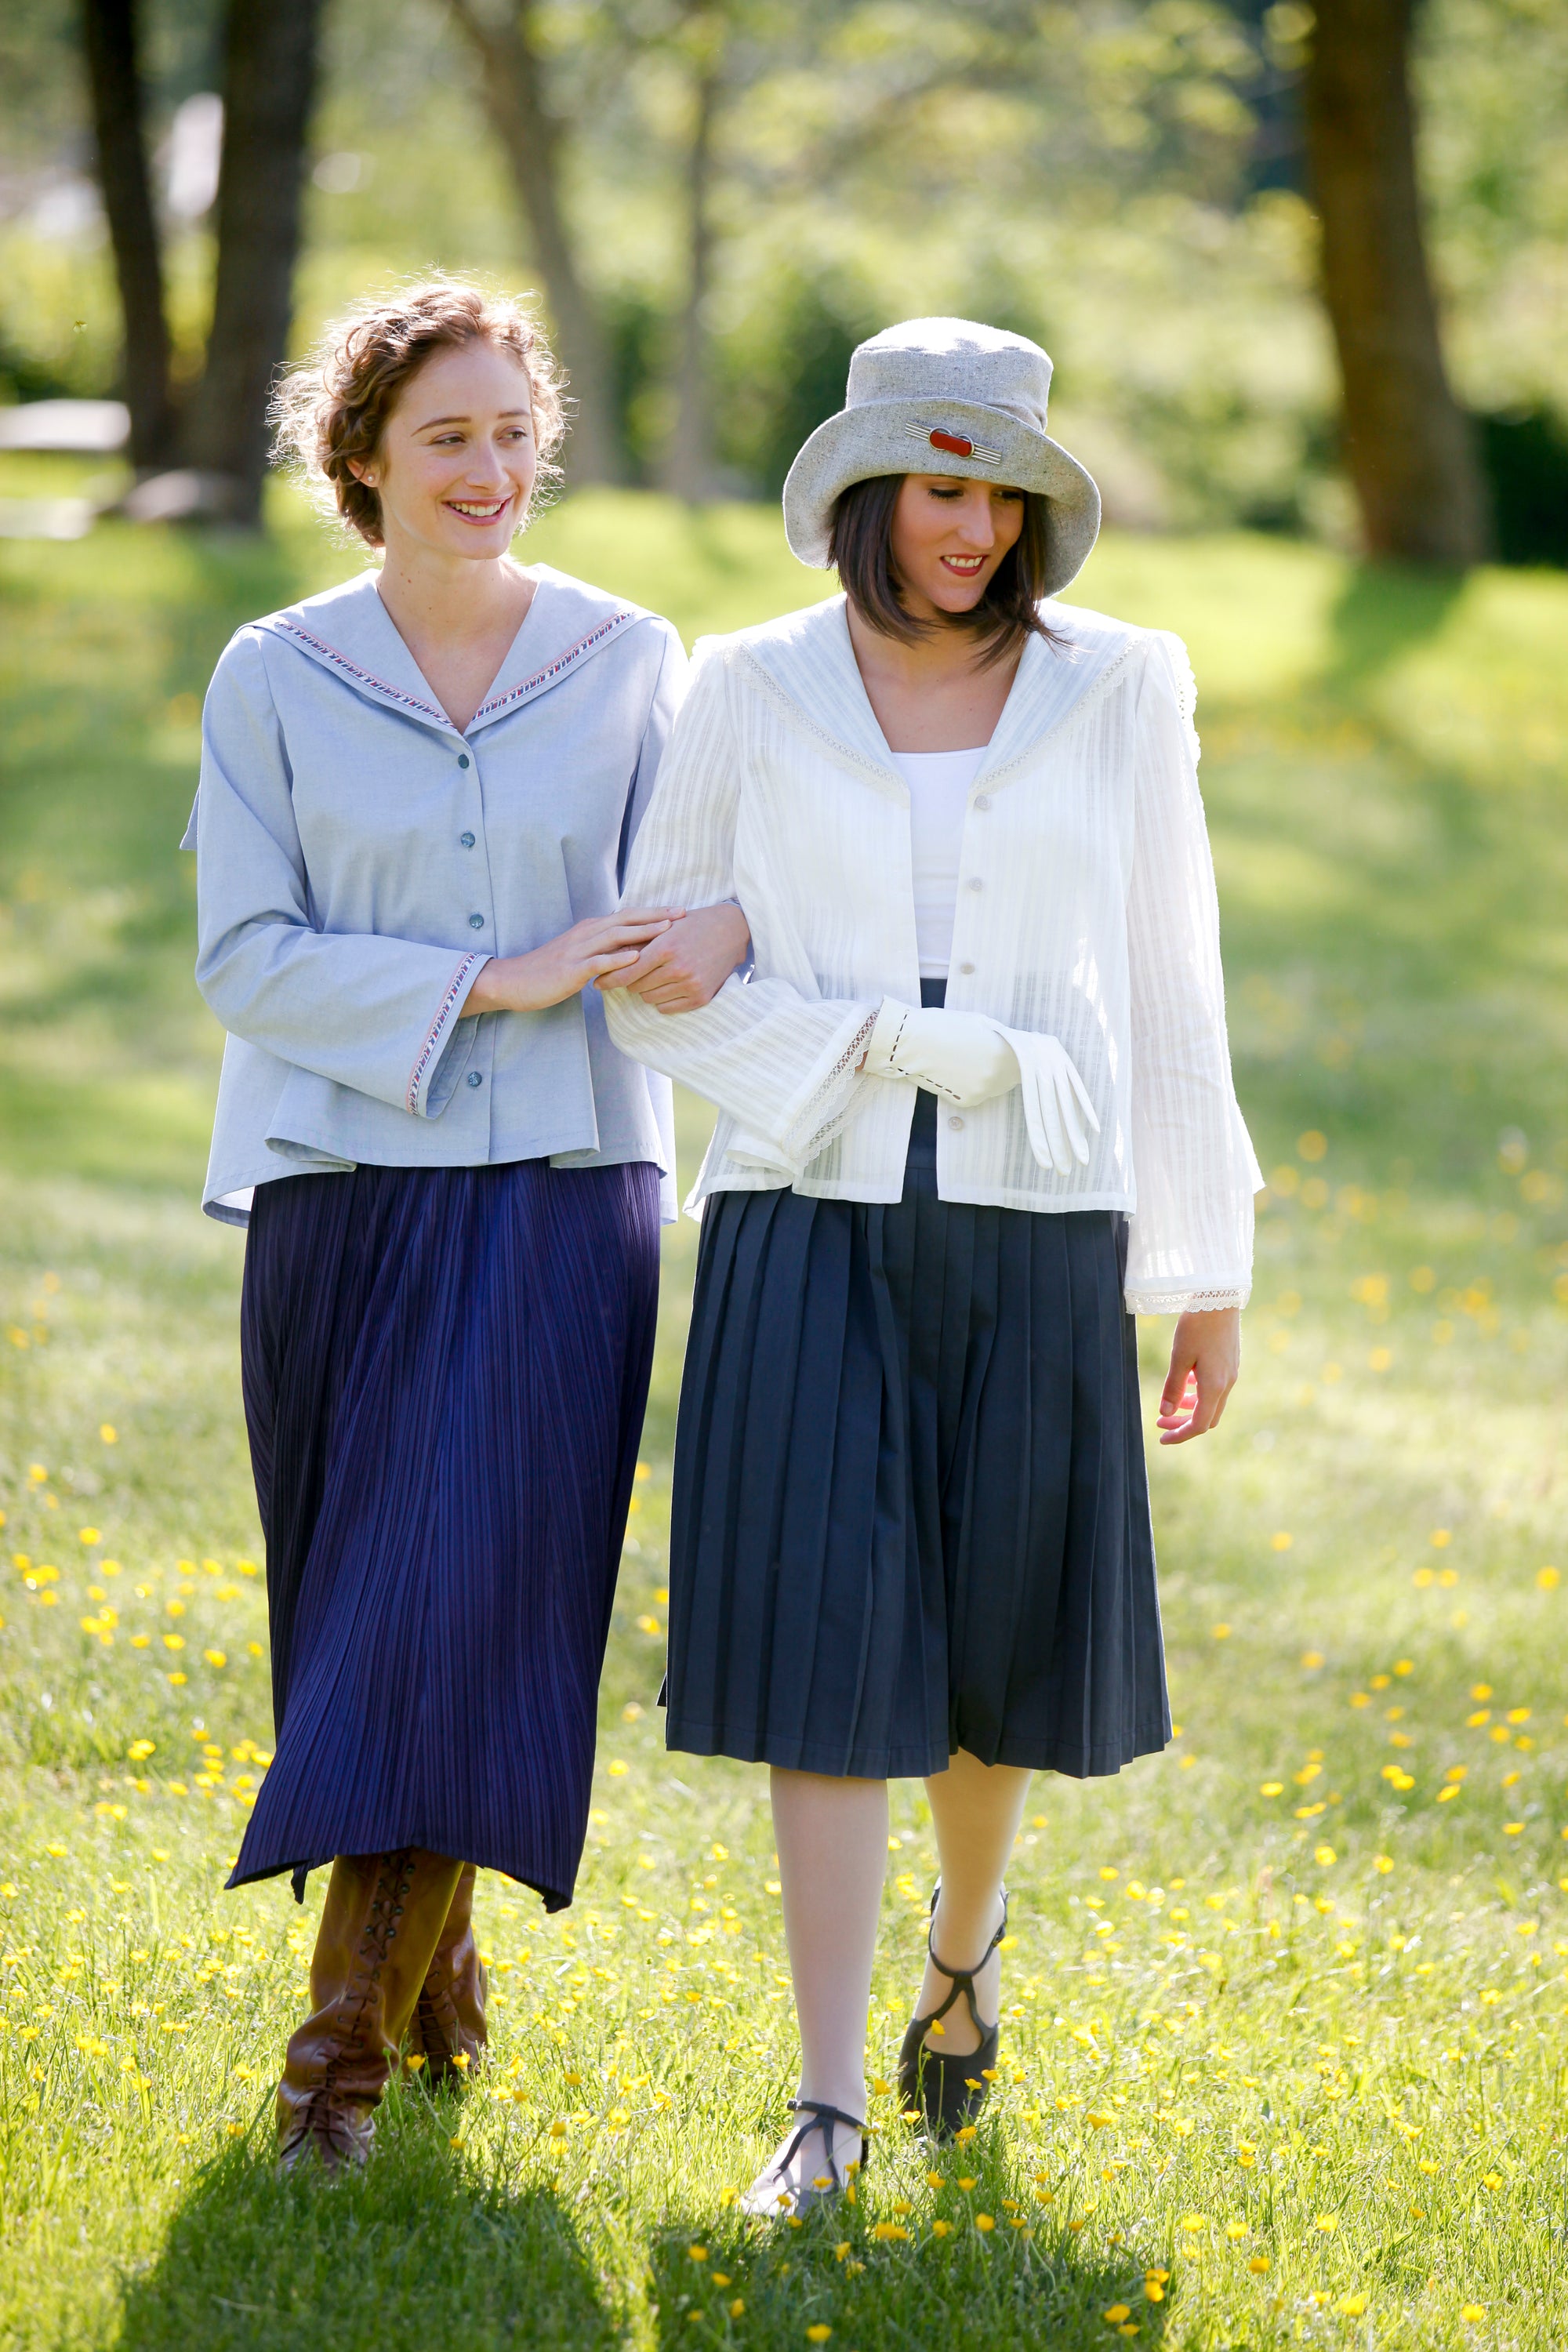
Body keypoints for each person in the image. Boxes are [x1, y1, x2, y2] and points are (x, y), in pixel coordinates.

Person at [602, 318, 1260, 2214]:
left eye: (1003, 493)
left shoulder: (1122, 686)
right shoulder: (745, 686)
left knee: (990, 1659)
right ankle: (822, 2107)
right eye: (940, 486)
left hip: (1041, 1232)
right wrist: (879, 1048)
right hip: (803, 1224)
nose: (971, 529)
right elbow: (656, 988)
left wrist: (1198, 1267)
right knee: (826, 1660)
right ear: (864, 491)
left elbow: (1169, 986)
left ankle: (963, 1955)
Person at [185, 281, 747, 2169]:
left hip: (570, 1189)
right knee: (358, 1614)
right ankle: (437, 1993)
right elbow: (244, 956)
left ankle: (328, 2070)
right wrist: (490, 980)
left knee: (463, 1602)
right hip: (338, 1194)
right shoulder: (272, 671)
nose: (492, 468)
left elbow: (702, 900)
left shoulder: (632, 658)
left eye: (516, 431)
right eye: (449, 435)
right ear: (360, 459)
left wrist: (695, 951)